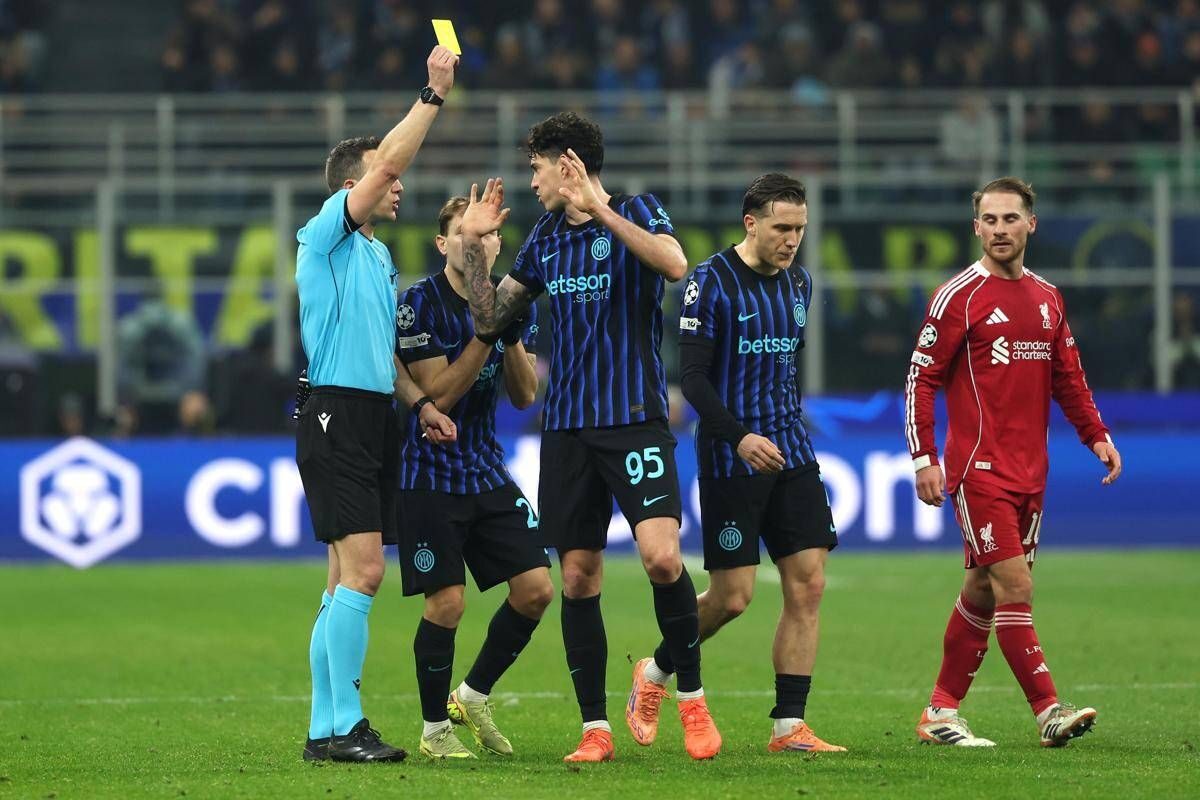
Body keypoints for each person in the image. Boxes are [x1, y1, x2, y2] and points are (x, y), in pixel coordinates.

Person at [456, 111, 722, 762]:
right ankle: (595, 729)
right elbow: (490, 321)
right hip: (568, 430)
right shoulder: (544, 237)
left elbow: (675, 264)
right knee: (577, 577)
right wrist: (475, 248)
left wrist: (598, 207)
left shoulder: (635, 209)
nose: (532, 182)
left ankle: (691, 699)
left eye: (536, 169)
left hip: (633, 419)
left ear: (567, 163)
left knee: (663, 559)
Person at [630, 173, 845, 754]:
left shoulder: (799, 284)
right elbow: (694, 380)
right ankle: (655, 670)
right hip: (731, 458)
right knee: (732, 598)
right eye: (782, 227)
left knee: (809, 583)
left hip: (791, 451)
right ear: (751, 223)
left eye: (800, 229)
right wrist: (741, 437)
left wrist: (778, 432)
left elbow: (783, 368)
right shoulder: (709, 283)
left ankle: (789, 726)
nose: (792, 239)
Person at [904, 176, 1122, 748]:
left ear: (1031, 223)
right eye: (990, 220)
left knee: (982, 588)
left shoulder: (1048, 298)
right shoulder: (958, 296)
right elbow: (920, 379)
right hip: (978, 471)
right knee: (1015, 585)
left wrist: (1095, 434)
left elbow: (1067, 376)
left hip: (1031, 472)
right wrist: (925, 457)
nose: (1000, 229)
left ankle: (939, 712)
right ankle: (1049, 710)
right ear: (976, 227)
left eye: (1010, 218)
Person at [294, 45, 459, 764]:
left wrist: (418, 403)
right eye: (383, 177)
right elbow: (390, 161)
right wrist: (433, 93)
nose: (398, 185)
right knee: (364, 573)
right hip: (335, 414)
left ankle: (323, 729)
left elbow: (381, 354)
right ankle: (345, 726)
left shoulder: (377, 256)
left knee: (341, 581)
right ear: (351, 186)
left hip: (370, 414)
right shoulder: (326, 235)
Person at [394, 196, 554, 759]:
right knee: (447, 604)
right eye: (467, 233)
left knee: (536, 590)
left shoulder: (514, 301)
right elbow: (437, 396)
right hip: (429, 472)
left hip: (485, 467)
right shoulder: (419, 304)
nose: (479, 243)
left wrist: (508, 333)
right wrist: (486, 331)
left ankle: (473, 694)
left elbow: (525, 395)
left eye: (487, 235)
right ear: (444, 244)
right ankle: (435, 729)